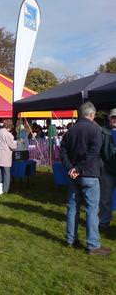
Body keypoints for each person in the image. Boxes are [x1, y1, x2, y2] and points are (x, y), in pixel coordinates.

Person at [60, 102, 111, 255]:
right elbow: (94, 152)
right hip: (89, 174)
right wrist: (76, 168)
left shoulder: (70, 131)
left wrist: (71, 168)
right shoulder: (95, 129)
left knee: (73, 208)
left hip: (74, 175)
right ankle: (93, 245)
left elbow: (63, 151)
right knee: (91, 210)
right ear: (91, 114)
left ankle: (71, 239)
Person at [99, 108, 116, 230]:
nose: (115, 120)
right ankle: (104, 223)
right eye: (113, 117)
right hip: (107, 170)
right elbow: (97, 151)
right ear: (109, 118)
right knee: (105, 199)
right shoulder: (103, 132)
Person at [0, 119, 17, 195]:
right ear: (10, 126)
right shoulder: (8, 134)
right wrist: (17, 143)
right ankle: (5, 190)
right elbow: (13, 146)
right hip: (5, 156)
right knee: (6, 174)